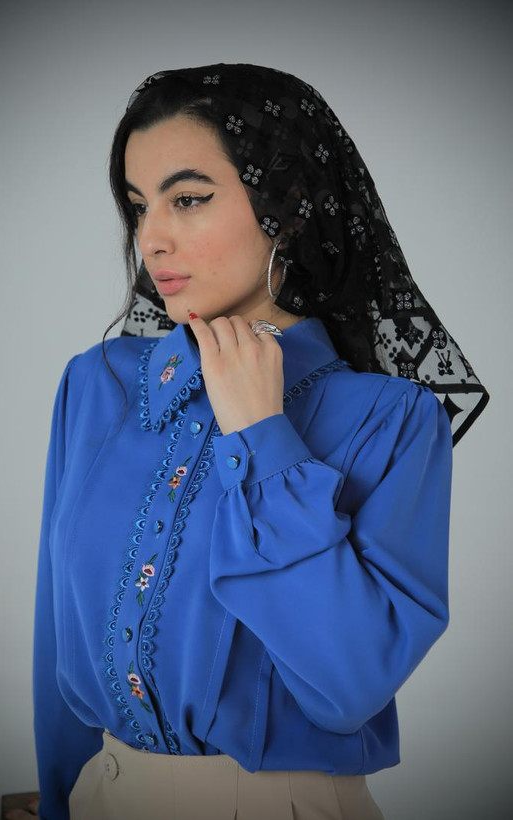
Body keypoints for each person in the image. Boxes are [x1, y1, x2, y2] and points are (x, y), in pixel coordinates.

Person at [29, 63, 489, 820]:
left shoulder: (392, 418)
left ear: (287, 208)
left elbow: (347, 687)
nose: (152, 238)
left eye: (188, 199)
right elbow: (56, 649)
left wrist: (263, 438)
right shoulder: (97, 385)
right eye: (139, 206)